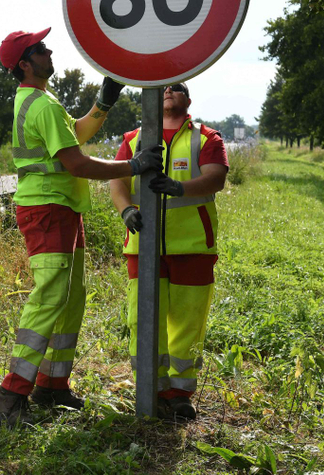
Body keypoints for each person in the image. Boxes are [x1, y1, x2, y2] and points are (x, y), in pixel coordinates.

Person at [0, 27, 163, 428]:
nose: (49, 50)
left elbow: (75, 135)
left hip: (62, 207)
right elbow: (77, 163)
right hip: (46, 209)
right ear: (25, 64)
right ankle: (9, 396)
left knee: (71, 298)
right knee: (51, 297)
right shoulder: (41, 105)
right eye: (40, 48)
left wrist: (103, 102)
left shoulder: (41, 100)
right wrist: (134, 165)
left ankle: (52, 385)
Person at [108, 82, 228, 420]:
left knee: (188, 324)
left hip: (192, 248)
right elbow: (117, 181)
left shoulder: (207, 138)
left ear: (188, 100)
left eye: (177, 88)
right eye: (164, 89)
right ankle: (151, 388)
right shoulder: (133, 140)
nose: (169, 91)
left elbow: (216, 178)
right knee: (143, 320)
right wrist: (126, 211)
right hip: (142, 248)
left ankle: (179, 395)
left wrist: (178, 187)